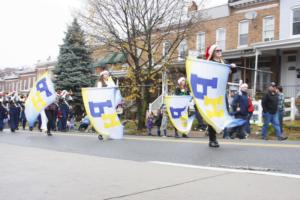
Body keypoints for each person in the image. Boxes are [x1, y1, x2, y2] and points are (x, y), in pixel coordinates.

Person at [205, 44, 237, 147]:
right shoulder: (209, 63)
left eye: (220, 50)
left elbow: (232, 71)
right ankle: (212, 139)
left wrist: (233, 67)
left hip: (221, 93)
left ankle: (221, 133)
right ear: (213, 52)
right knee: (212, 116)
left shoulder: (224, 63)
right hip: (212, 93)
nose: (219, 52)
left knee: (224, 112)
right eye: (217, 50)